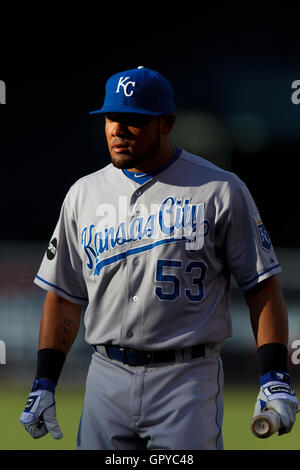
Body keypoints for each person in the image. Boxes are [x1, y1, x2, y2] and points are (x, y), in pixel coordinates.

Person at [20, 66, 298, 450]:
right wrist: (44, 381)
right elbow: (64, 297)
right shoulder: (83, 194)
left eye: (134, 120)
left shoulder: (220, 189)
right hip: (105, 376)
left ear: (167, 123)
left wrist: (274, 378)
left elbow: (262, 288)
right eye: (112, 118)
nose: (119, 129)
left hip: (186, 379)